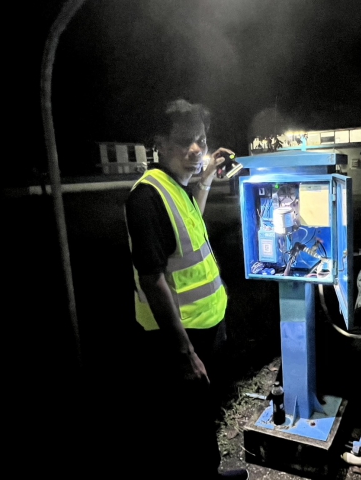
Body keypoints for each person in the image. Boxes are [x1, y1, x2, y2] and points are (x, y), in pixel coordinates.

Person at [124, 99, 248, 479]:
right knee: (185, 424)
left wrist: (206, 176)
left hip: (204, 327)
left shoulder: (176, 188)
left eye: (202, 139)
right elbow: (152, 279)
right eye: (185, 141)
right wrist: (185, 353)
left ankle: (210, 471)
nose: (197, 149)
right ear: (160, 144)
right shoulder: (146, 197)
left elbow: (192, 215)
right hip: (180, 336)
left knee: (201, 413)